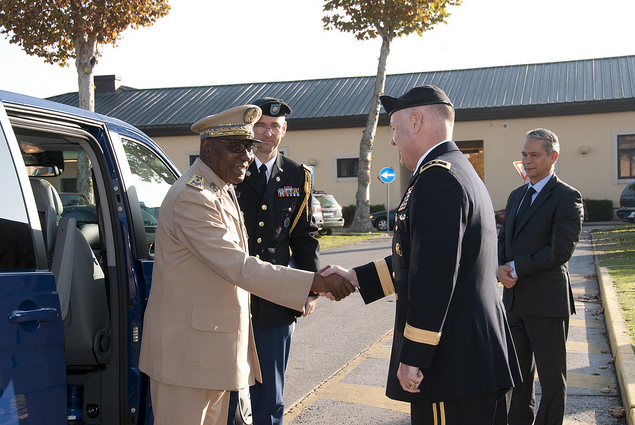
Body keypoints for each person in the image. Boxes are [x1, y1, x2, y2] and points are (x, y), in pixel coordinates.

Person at [138, 104, 355, 425]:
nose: (246, 157)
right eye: (235, 148)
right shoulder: (193, 195)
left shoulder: (219, 189)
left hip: (211, 351)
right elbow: (238, 265)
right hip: (187, 356)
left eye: (249, 148)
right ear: (207, 147)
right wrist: (314, 283)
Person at [323, 85, 521, 424]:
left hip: (451, 364)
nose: (392, 140)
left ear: (416, 121)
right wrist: (356, 278)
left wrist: (414, 356)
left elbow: (435, 276)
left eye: (394, 128)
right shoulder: (455, 170)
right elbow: (420, 257)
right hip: (470, 359)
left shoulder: (439, 180)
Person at [226, 97, 319, 425]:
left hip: (275, 300)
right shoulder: (230, 168)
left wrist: (309, 289)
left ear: (284, 131)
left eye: (274, 127)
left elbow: (304, 237)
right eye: (261, 126)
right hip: (230, 292)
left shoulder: (298, 175)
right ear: (251, 130)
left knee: (270, 392)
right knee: (225, 388)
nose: (267, 133)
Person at [497, 128, 584, 425]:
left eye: (534, 155)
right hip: (514, 302)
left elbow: (560, 250)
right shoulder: (517, 194)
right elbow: (502, 238)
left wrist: (516, 269)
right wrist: (499, 268)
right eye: (524, 154)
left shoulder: (567, 197)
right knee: (518, 378)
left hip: (547, 303)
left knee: (551, 380)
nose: (527, 160)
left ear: (553, 157)